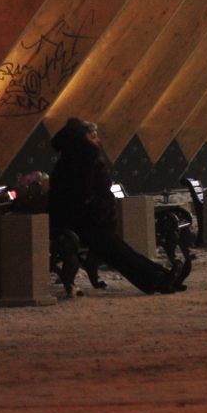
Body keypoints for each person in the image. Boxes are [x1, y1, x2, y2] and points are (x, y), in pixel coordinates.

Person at [49, 118, 190, 294]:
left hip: (87, 219)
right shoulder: (78, 162)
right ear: (82, 141)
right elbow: (80, 196)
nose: (97, 141)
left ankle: (161, 277)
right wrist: (99, 211)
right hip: (81, 222)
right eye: (93, 137)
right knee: (117, 250)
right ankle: (157, 279)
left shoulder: (73, 161)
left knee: (119, 249)